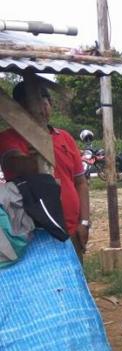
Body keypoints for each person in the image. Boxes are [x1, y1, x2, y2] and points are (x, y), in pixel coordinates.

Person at [0, 83, 91, 261]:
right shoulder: (7, 139)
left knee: (74, 282)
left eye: (43, 104)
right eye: (29, 105)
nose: (39, 111)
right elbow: (18, 164)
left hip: (71, 228)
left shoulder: (64, 137)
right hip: (33, 234)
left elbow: (80, 182)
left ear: (50, 104)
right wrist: (36, 154)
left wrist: (85, 222)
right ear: (18, 109)